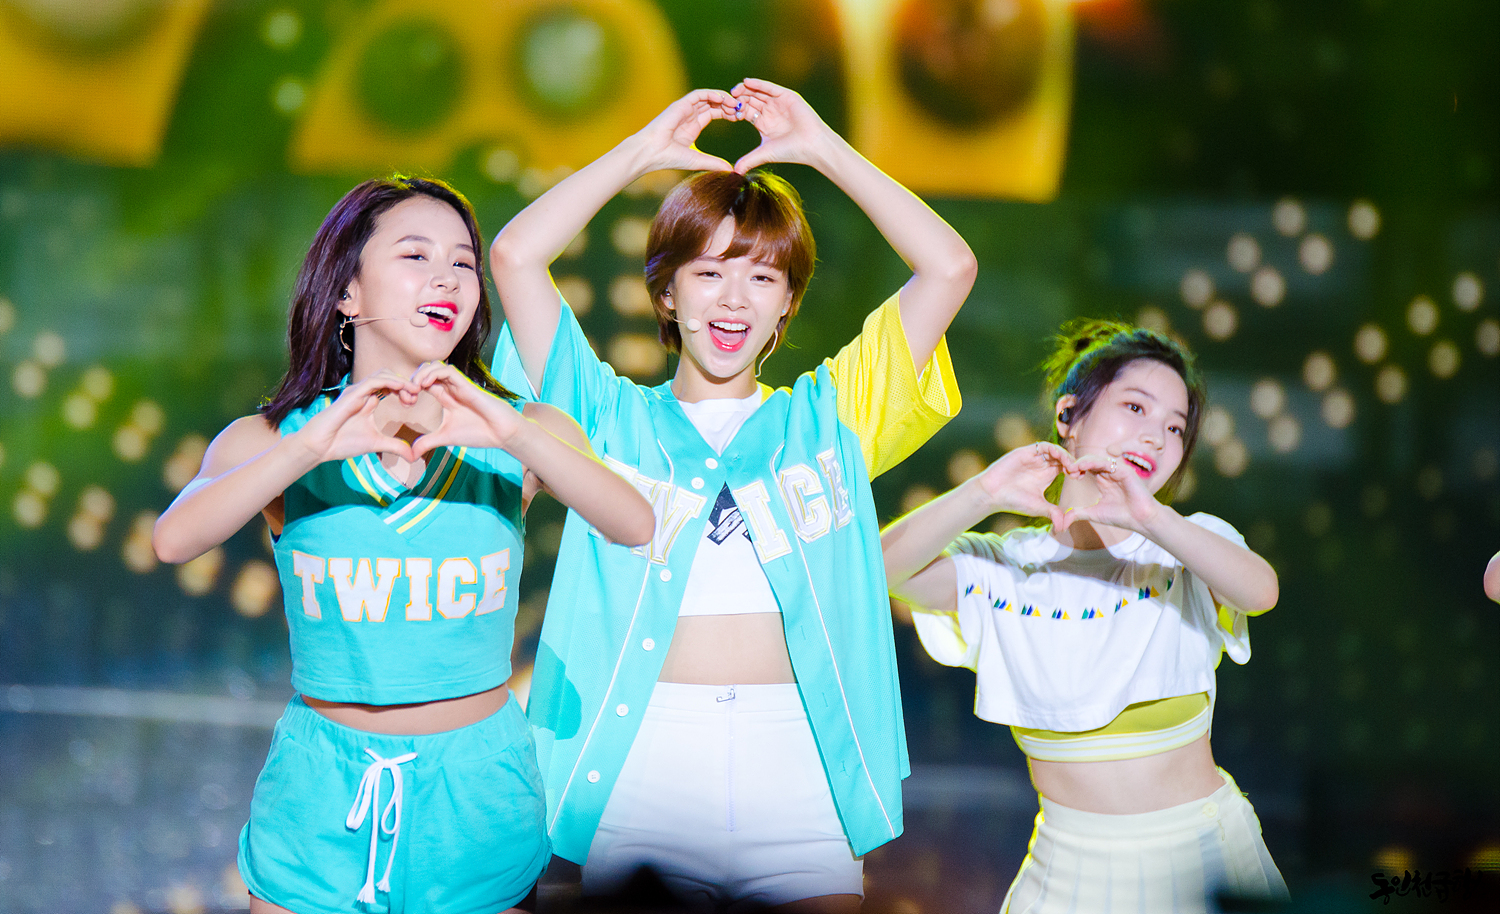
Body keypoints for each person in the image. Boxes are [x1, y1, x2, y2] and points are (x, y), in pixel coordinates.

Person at [488, 79, 976, 910]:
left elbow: (950, 266)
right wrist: (642, 152)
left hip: (801, 770)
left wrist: (822, 147)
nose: (733, 299)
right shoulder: (604, 417)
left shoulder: (830, 417)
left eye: (762, 277)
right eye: (708, 272)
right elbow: (514, 258)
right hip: (645, 768)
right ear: (666, 293)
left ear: (787, 303)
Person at [152, 176, 654, 914]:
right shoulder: (276, 438)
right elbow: (173, 539)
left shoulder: (518, 429)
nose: (447, 278)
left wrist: (515, 434)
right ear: (347, 292)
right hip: (322, 789)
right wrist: (307, 449)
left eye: (462, 263)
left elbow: (635, 525)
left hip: (477, 791)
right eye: (416, 255)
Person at [882, 319, 1288, 913]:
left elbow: (1260, 591)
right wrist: (983, 493)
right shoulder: (1001, 568)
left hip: (1201, 862)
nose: (1155, 437)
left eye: (1175, 427)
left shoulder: (1184, 546)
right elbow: (876, 572)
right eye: (1135, 407)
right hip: (1066, 875)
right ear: (1068, 416)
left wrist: (1150, 519)